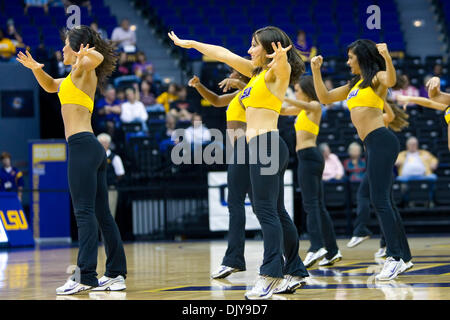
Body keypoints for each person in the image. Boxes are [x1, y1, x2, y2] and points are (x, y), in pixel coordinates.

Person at [169, 26, 309, 300]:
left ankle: (270, 275)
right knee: (275, 211)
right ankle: (294, 269)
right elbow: (223, 54)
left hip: (267, 144)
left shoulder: (274, 73)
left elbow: (283, 68)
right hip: (254, 146)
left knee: (266, 211)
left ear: (270, 49)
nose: (249, 50)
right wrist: (191, 42)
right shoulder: (255, 75)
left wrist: (279, 58)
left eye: (254, 45)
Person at [16, 25, 127, 294]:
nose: (62, 49)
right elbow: (50, 85)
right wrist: (36, 69)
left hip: (82, 147)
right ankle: (115, 273)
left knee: (84, 212)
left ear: (77, 48)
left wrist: (85, 56)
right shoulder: (71, 78)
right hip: (92, 149)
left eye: (66, 44)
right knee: (101, 214)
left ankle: (85, 276)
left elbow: (96, 59)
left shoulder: (86, 68)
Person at [311, 40, 412, 280]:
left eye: (350, 57)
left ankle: (394, 257)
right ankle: (404, 258)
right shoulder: (353, 85)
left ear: (362, 58)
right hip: (372, 144)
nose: (347, 62)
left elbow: (391, 79)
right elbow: (324, 97)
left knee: (379, 200)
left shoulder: (376, 77)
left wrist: (387, 56)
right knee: (385, 200)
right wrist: (316, 71)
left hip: (382, 140)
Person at [188, 70, 253, 280]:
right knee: (263, 208)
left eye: (235, 73)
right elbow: (215, 100)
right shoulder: (238, 96)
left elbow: (252, 92)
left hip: (246, 150)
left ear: (243, 78)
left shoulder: (251, 94)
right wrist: (199, 86)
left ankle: (233, 260)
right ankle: (289, 260)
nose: (230, 75)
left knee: (237, 204)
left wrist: (239, 84)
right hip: (243, 152)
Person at [280, 76, 341, 269]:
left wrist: (282, 95)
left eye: (297, 89)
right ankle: (332, 251)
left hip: (309, 157)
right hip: (308, 158)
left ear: (306, 90)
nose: (296, 92)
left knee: (311, 204)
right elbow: (282, 111)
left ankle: (316, 247)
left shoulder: (314, 105)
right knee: (319, 206)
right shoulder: (302, 108)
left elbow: (293, 103)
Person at [347, 99, 410, 253]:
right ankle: (385, 244)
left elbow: (391, 115)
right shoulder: (369, 117)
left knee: (371, 197)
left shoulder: (380, 117)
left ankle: (363, 230)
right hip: (373, 156)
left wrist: (381, 99)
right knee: (384, 203)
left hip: (380, 157)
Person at [97, 133, 125, 220]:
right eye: (101, 142)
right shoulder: (95, 157)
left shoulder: (115, 158)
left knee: (109, 214)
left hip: (110, 189)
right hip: (97, 189)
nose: (103, 144)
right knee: (97, 215)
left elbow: (120, 173)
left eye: (105, 142)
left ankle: (107, 234)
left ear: (109, 144)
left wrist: (111, 181)